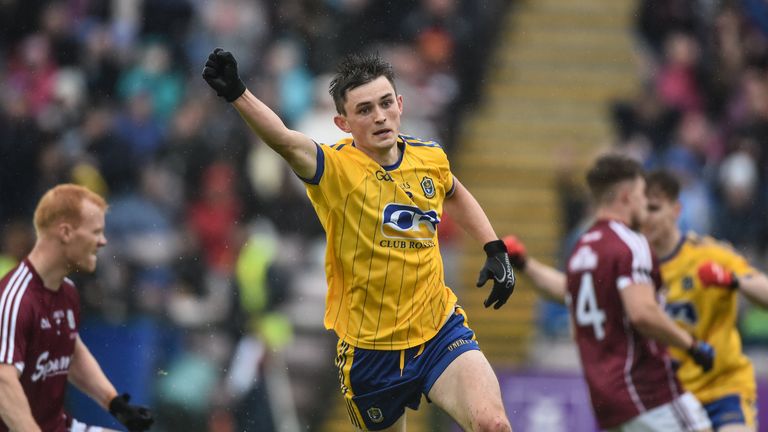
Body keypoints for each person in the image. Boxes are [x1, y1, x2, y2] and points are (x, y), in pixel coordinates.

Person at [202, 48, 515, 431]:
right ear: (343, 122)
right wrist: (237, 92)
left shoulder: (429, 157)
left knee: (493, 424)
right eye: (365, 110)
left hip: (438, 331)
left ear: (400, 104)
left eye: (386, 103)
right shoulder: (334, 170)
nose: (380, 116)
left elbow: (453, 192)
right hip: (370, 354)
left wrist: (493, 247)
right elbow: (284, 140)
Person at [503, 154, 713, 431]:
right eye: (641, 196)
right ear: (626, 196)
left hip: (606, 401)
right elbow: (642, 313)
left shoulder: (583, 248)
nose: (644, 205)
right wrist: (691, 345)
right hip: (646, 391)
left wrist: (524, 265)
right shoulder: (630, 243)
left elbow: (568, 291)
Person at [0, 184, 154, 431]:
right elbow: (3, 383)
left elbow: (71, 352)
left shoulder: (67, 291)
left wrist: (115, 404)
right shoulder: (16, 299)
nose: (103, 241)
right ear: (66, 233)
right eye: (96, 232)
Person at [643, 169, 768, 432]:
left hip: (724, 388)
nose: (646, 218)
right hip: (673, 399)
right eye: (641, 210)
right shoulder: (635, 271)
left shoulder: (708, 254)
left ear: (676, 210)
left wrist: (734, 280)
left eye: (654, 208)